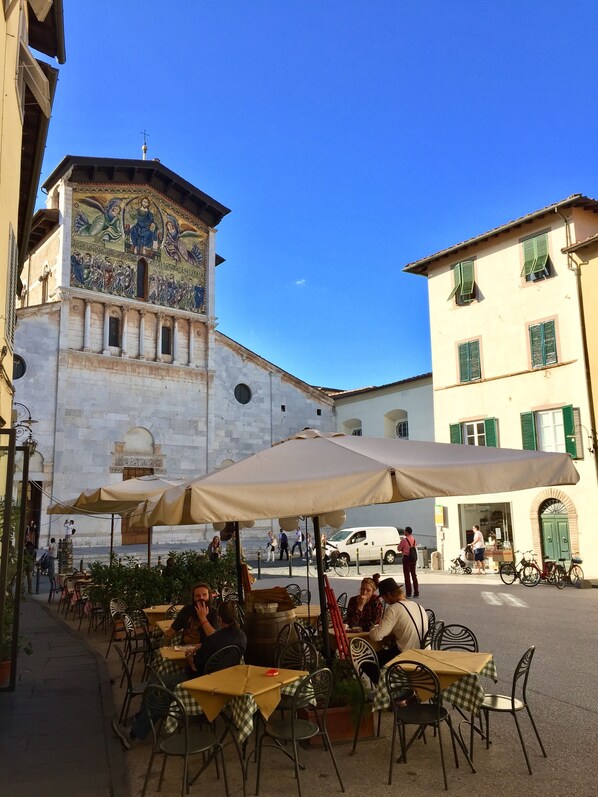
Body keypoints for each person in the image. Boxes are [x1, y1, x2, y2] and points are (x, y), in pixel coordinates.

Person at [113, 603, 247, 749]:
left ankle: (133, 733)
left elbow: (195, 666)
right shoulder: (242, 637)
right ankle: (140, 720)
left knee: (156, 686)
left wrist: (190, 658)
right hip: (222, 681)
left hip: (197, 682)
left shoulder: (212, 640)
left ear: (220, 618)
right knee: (159, 686)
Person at [369, 576, 429, 666]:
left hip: (407, 655)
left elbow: (376, 636)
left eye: (384, 598)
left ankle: (384, 680)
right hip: (426, 652)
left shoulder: (394, 609)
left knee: (368, 662)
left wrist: (373, 628)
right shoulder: (418, 606)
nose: (385, 601)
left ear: (388, 595)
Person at [397, 526, 419, 598]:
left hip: (407, 558)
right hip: (413, 558)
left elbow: (399, 548)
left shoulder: (404, 540)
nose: (404, 532)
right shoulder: (413, 539)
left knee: (407, 576)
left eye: (404, 531)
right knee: (414, 575)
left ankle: (409, 593)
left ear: (407, 532)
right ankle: (416, 592)